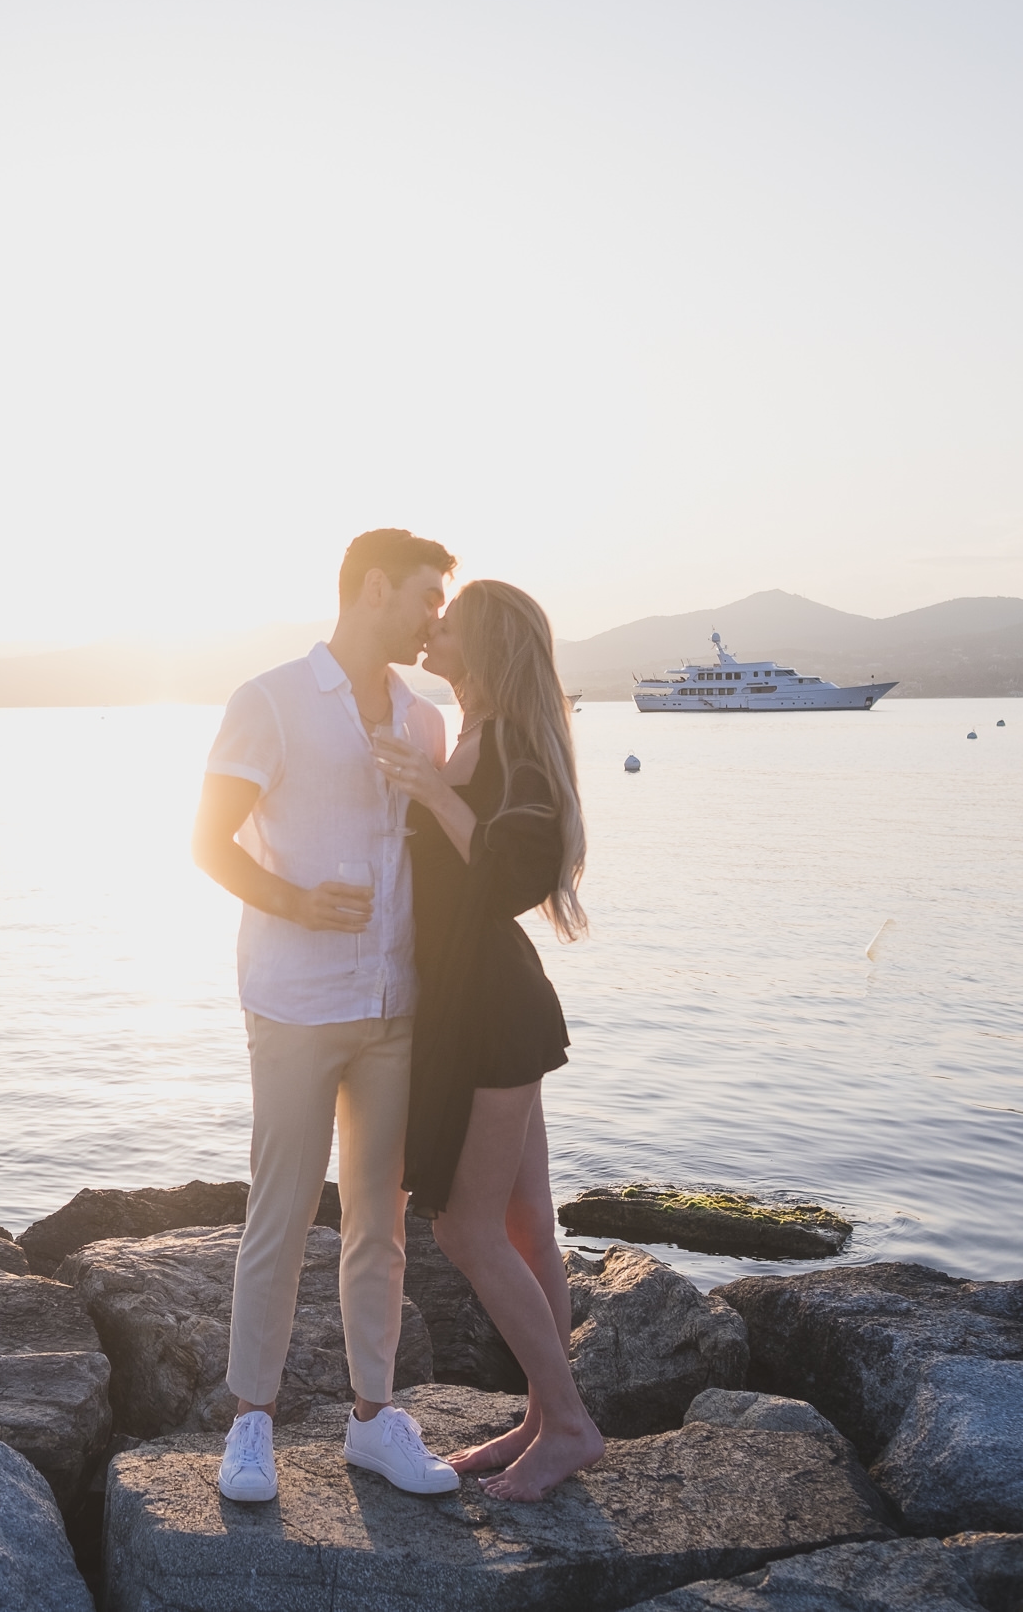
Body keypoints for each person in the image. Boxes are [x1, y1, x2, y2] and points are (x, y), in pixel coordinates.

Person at [190, 528, 465, 1503]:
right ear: (374, 587)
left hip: (394, 1005)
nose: (438, 613)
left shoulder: (423, 719)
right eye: (428, 595)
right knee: (281, 1207)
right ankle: (249, 1422)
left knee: (379, 1218)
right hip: (295, 1001)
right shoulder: (267, 700)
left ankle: (372, 1417)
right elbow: (206, 840)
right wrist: (297, 902)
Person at [369, 579, 603, 1501]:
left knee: (466, 1228)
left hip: (491, 1011)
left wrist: (430, 787)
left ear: (487, 645)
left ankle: (572, 1424)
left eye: (449, 622)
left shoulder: (508, 745)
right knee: (524, 1225)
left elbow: (509, 875)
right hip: (481, 1000)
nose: (434, 628)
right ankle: (546, 1417)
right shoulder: (467, 734)